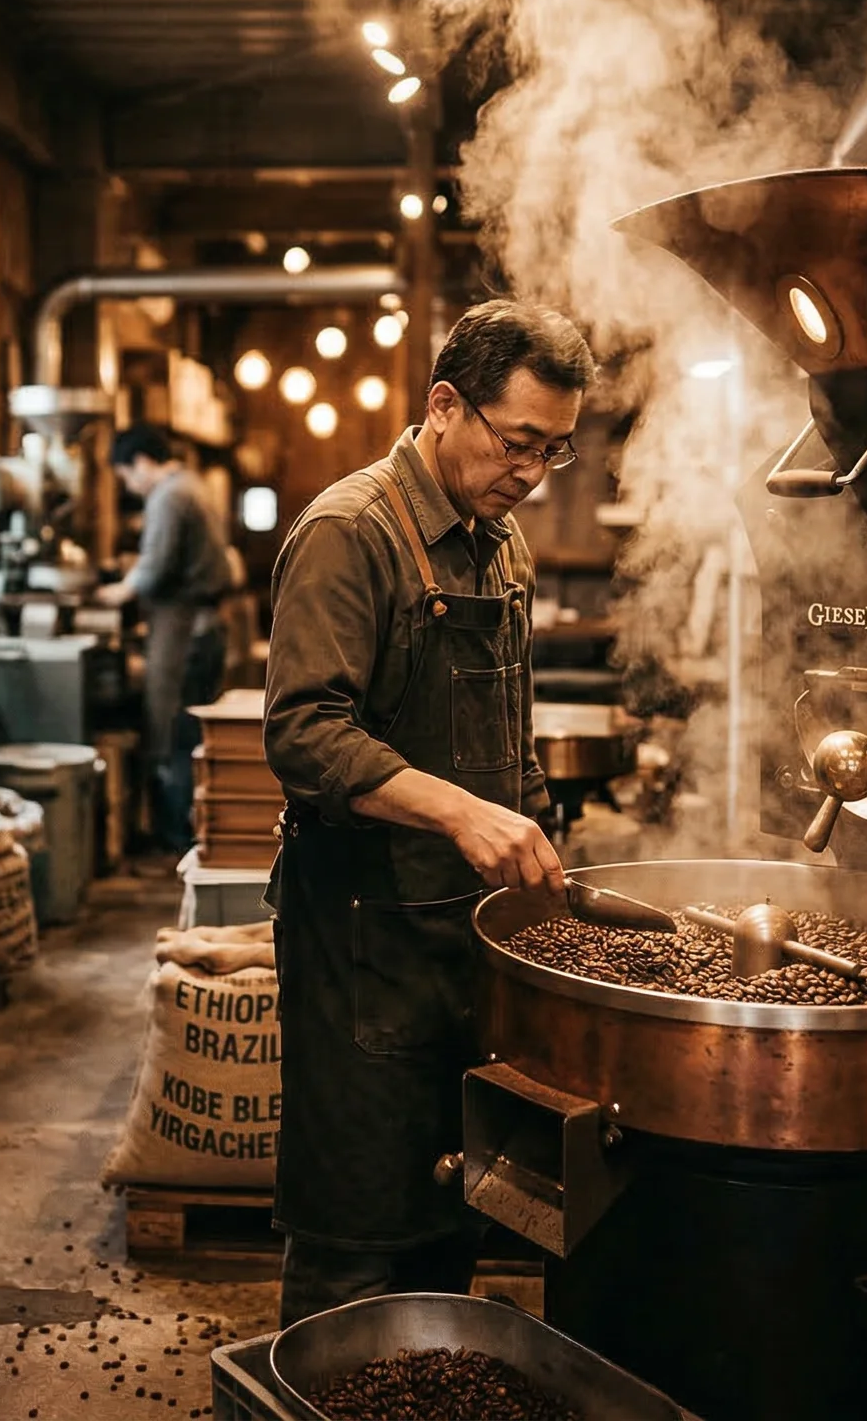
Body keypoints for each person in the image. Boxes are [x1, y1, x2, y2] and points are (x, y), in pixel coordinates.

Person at [261, 300, 591, 1323]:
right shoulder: (350, 533)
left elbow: (509, 737)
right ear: (446, 405)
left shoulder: (503, 549)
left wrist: (552, 880)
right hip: (361, 937)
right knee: (359, 1225)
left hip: (462, 934)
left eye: (556, 450)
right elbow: (304, 734)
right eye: (517, 442)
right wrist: (458, 813)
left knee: (449, 1205)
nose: (531, 472)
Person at [95, 426, 236, 858]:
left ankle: (177, 836)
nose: (129, 487)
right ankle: (189, 833)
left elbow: (155, 569)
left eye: (125, 477)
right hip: (204, 625)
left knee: (175, 730)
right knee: (190, 731)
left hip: (185, 628)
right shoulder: (191, 484)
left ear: (140, 462)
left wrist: (117, 590)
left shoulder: (169, 495)